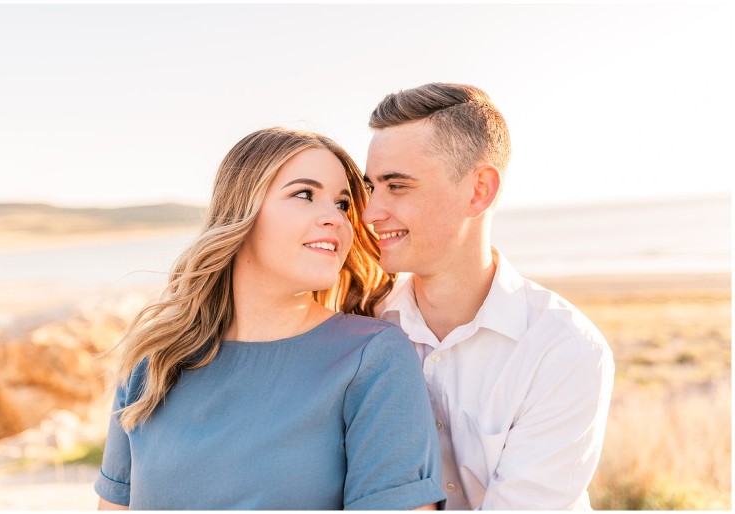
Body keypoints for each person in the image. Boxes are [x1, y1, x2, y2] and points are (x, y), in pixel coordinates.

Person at [94, 127, 445, 510]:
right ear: (243, 210)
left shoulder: (372, 357)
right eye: (304, 194)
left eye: (342, 204)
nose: (335, 219)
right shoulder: (154, 362)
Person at [362, 83, 615, 510]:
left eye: (397, 186)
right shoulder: (363, 325)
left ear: (479, 190)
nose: (371, 212)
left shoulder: (563, 349)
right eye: (371, 187)